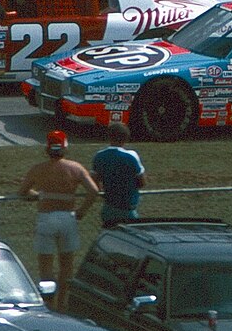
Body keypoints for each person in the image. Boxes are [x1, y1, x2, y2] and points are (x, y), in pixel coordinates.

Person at [17, 130, 99, 311]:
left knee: (46, 268)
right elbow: (93, 192)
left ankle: (48, 305)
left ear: (47, 148)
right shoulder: (75, 168)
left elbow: (22, 192)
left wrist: (38, 195)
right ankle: (62, 305)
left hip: (46, 218)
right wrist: (81, 212)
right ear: (65, 148)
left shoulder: (38, 169)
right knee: (66, 267)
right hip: (67, 218)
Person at [91, 122, 145, 228]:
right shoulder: (131, 156)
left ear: (109, 137)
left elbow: (95, 180)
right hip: (128, 207)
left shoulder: (99, 156)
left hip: (109, 206)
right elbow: (142, 182)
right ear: (126, 138)